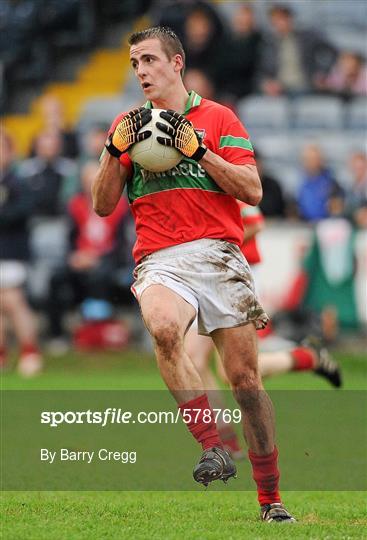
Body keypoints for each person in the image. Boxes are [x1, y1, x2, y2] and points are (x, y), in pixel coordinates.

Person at [92, 26, 295, 523]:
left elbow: (252, 190)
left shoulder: (219, 117)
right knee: (163, 329)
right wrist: (117, 152)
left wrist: (199, 150)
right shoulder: (127, 126)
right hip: (161, 255)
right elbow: (101, 206)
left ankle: (270, 499)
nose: (140, 71)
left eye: (149, 60)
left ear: (177, 63)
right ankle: (212, 446)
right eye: (134, 62)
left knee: (245, 381)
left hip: (219, 254)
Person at [185, 201, 342, 457]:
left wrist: (210, 249)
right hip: (205, 275)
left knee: (235, 371)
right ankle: (227, 441)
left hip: (232, 275)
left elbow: (255, 223)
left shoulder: (218, 164)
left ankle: (308, 357)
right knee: (195, 359)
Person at [0, 130, 43, 376]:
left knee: (13, 301)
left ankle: (30, 350)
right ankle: (3, 353)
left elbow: (23, 211)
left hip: (13, 252)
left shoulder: (18, 181)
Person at [297, 144, 343, 222]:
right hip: (305, 225)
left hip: (325, 227)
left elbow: (337, 209)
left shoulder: (330, 183)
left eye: (313, 159)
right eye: (307, 159)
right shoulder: (302, 183)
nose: (310, 162)